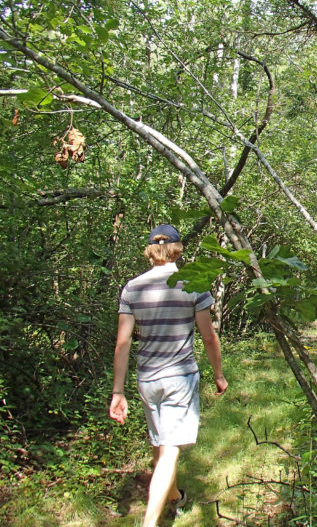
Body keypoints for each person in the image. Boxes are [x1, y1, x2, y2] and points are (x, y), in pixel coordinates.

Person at [109, 224, 228, 527]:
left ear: (150, 250)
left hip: (147, 377)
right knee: (170, 450)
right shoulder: (191, 283)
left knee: (159, 440)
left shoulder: (132, 287)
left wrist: (118, 391)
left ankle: (174, 496)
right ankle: (149, 523)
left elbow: (123, 343)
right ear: (177, 249)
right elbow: (209, 337)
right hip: (179, 377)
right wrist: (219, 374)